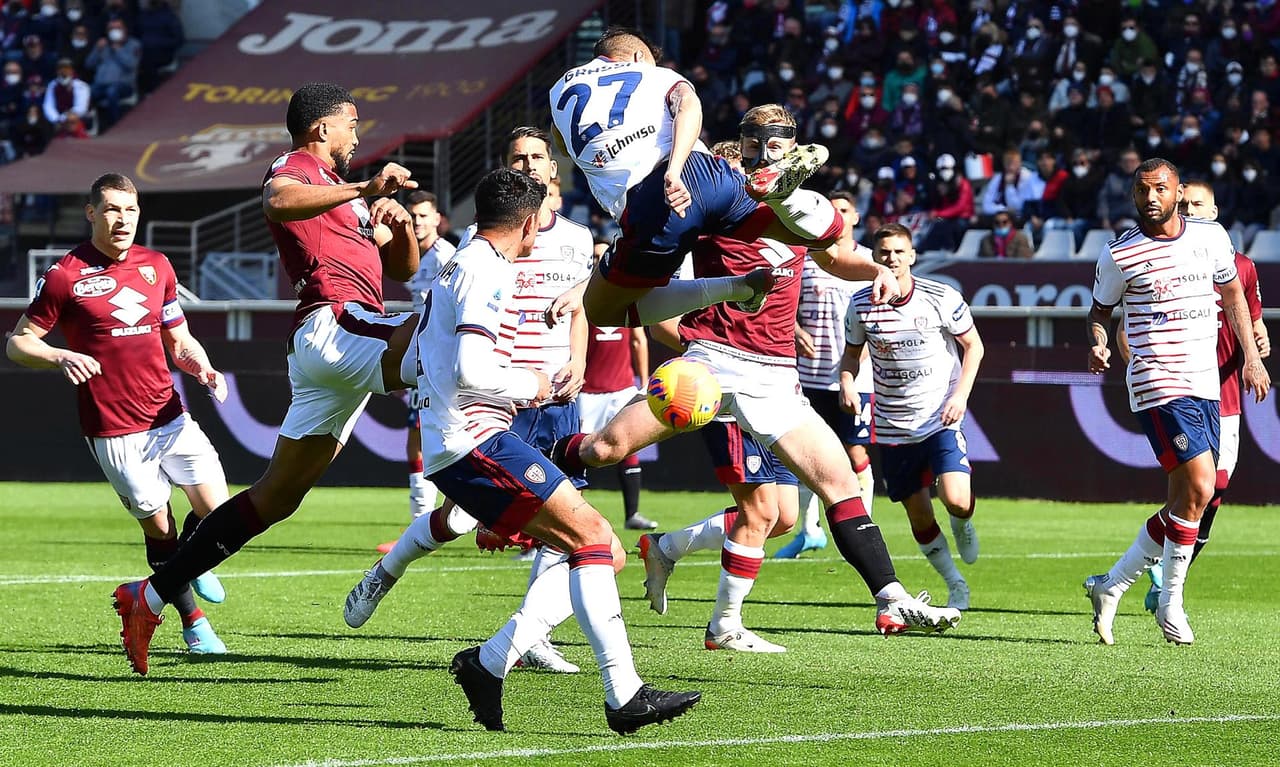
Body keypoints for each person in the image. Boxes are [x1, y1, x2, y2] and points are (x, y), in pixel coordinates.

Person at [553, 106, 963, 639]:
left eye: (775, 147)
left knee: (837, 486)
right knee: (605, 449)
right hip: (712, 364)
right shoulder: (713, 208)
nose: (763, 155)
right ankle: (531, 467)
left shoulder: (801, 209)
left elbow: (837, 257)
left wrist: (881, 269)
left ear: (789, 150)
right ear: (743, 148)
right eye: (755, 146)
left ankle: (891, 597)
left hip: (776, 377)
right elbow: (649, 283)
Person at [111, 83, 421, 675]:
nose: (359, 135)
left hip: (342, 343)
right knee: (441, 339)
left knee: (275, 498)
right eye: (352, 123)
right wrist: (363, 187)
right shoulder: (295, 168)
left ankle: (145, 597)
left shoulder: (345, 199)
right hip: (334, 325)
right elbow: (278, 203)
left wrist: (398, 222)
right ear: (320, 129)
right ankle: (501, 495)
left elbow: (400, 266)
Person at [382, 167, 702, 734]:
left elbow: (411, 365)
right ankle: (622, 696)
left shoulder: (455, 265)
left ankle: (489, 664)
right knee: (596, 540)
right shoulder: (489, 271)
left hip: (463, 441)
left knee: (597, 547)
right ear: (529, 224)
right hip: (476, 441)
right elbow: (473, 368)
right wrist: (532, 384)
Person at [7, 173, 230, 656]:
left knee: (220, 513)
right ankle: (194, 622)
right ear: (91, 213)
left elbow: (179, 341)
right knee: (161, 529)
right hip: (114, 429)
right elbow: (18, 343)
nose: (121, 219)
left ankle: (191, 564)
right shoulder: (65, 275)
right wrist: (59, 356)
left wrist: (203, 368)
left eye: (129, 210)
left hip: (169, 416)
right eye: (110, 209)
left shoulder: (157, 265)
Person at [1084, 159, 1270, 646]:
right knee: (1202, 483)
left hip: (1206, 384)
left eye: (1160, 189)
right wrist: (1100, 342)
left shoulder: (1210, 239)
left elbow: (1233, 298)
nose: (1151, 198)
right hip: (1156, 383)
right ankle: (1171, 602)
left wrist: (1251, 358)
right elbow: (1099, 312)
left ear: (1177, 191)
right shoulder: (1119, 255)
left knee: (1188, 498)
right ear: (1133, 194)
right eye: (1143, 190)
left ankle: (1112, 584)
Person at [549, 27, 849, 329]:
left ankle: (739, 287)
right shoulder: (657, 76)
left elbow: (561, 144)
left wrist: (670, 172)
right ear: (640, 57)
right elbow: (688, 104)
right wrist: (678, 165)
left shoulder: (559, 90)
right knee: (823, 237)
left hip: (656, 202)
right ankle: (786, 198)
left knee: (602, 311)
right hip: (710, 173)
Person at [841, 223, 984, 611]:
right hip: (891, 426)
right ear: (874, 257)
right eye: (884, 252)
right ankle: (955, 584)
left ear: (912, 256)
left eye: (899, 252)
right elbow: (852, 354)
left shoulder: (940, 296)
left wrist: (961, 396)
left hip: (940, 416)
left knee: (955, 499)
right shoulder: (859, 304)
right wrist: (847, 382)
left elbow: (974, 346)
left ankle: (963, 522)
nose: (892, 259)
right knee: (918, 515)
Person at [776, 189, 873, 560]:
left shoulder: (866, 261)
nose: (837, 214)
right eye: (832, 209)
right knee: (804, 455)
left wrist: (857, 369)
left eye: (844, 210)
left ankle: (864, 526)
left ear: (855, 217)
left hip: (853, 377)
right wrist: (796, 327)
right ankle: (809, 530)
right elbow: (786, 304)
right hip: (809, 375)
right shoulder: (810, 256)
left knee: (854, 451)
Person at [387, 190, 455, 548]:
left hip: (440, 359)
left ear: (437, 219)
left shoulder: (445, 256)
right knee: (417, 438)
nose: (417, 221)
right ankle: (422, 522)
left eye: (424, 216)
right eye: (413, 215)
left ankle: (437, 519)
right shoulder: (415, 257)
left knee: (432, 438)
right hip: (423, 358)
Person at [579, 245, 654, 531]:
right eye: (594, 257)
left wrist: (643, 382)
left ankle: (633, 514)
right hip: (587, 391)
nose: (599, 261)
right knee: (577, 453)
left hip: (622, 386)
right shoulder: (581, 298)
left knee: (628, 446)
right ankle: (569, 515)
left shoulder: (625, 294)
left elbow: (639, 340)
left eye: (603, 256)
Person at [84, 18, 140, 131]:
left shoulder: (134, 44)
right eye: (111, 28)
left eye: (118, 28)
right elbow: (89, 64)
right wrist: (97, 50)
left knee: (112, 91)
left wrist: (118, 50)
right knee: (87, 93)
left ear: (124, 29)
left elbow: (132, 65)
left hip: (123, 85)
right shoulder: (103, 45)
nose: (114, 31)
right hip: (101, 84)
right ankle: (89, 126)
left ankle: (115, 126)